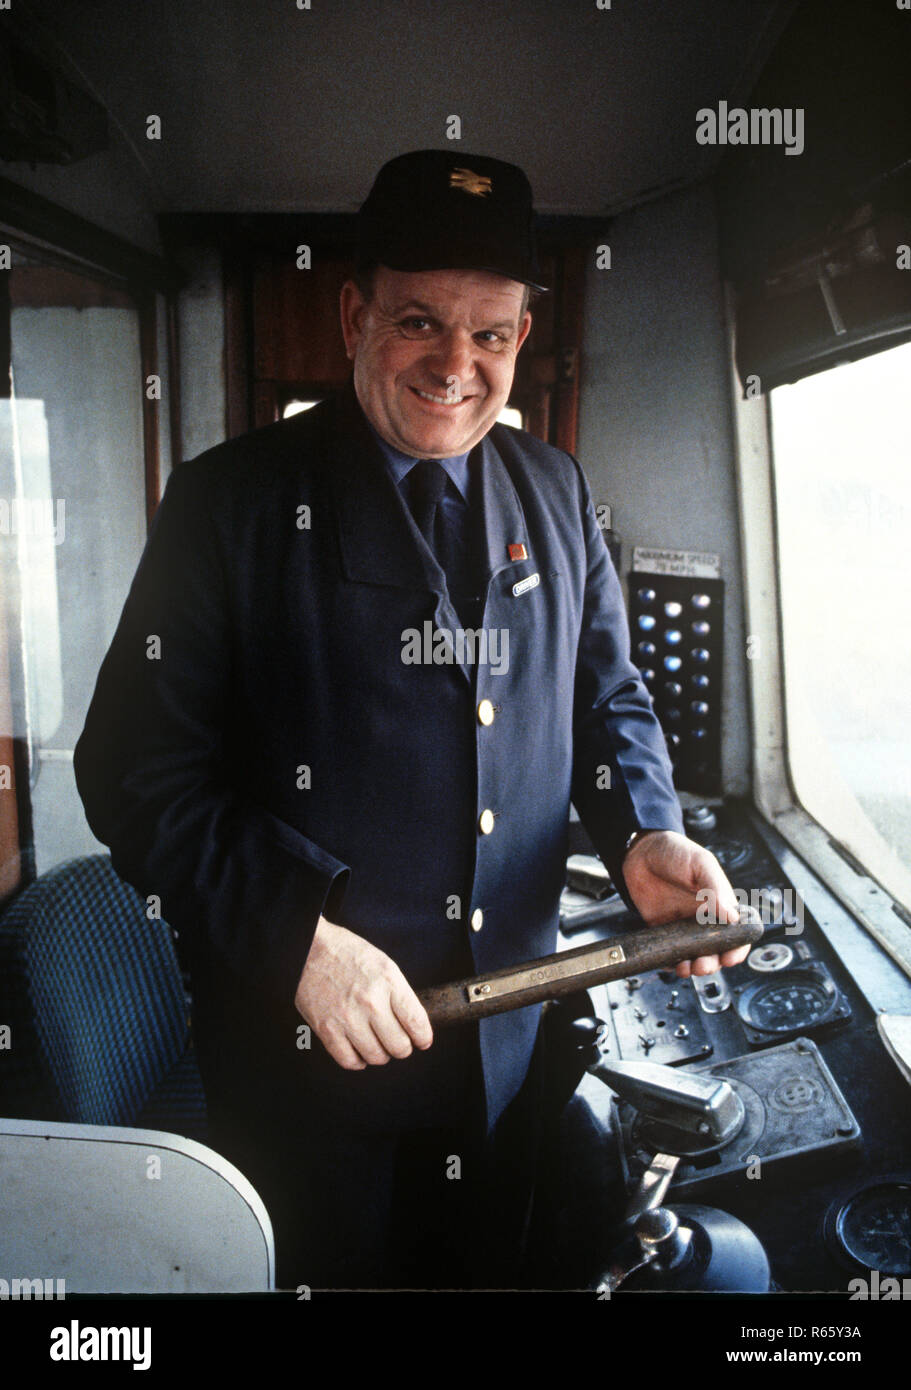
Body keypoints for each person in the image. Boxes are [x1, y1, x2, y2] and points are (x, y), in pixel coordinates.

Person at [74, 149, 748, 1289]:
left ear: (523, 339)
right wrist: (294, 933)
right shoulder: (226, 504)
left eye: (488, 334)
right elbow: (132, 769)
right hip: (306, 1063)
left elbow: (603, 696)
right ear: (353, 315)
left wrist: (641, 831)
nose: (455, 364)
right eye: (419, 323)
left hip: (503, 1049)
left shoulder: (556, 487)